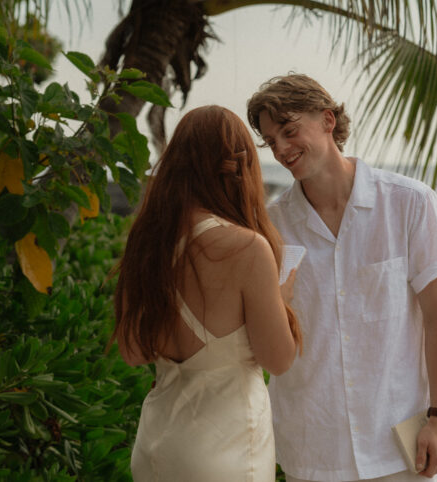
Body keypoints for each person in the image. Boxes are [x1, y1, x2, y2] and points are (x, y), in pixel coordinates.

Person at [246, 74, 437, 482]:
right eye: (272, 141)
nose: (282, 149)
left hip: (401, 448)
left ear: (328, 120)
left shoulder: (410, 204)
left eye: (290, 131)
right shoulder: (271, 227)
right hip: (312, 448)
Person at [112, 105, 303, 482]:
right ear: (240, 168)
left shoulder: (150, 240)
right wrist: (280, 300)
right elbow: (279, 360)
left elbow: (132, 352)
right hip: (224, 452)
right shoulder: (246, 248)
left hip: (156, 446)